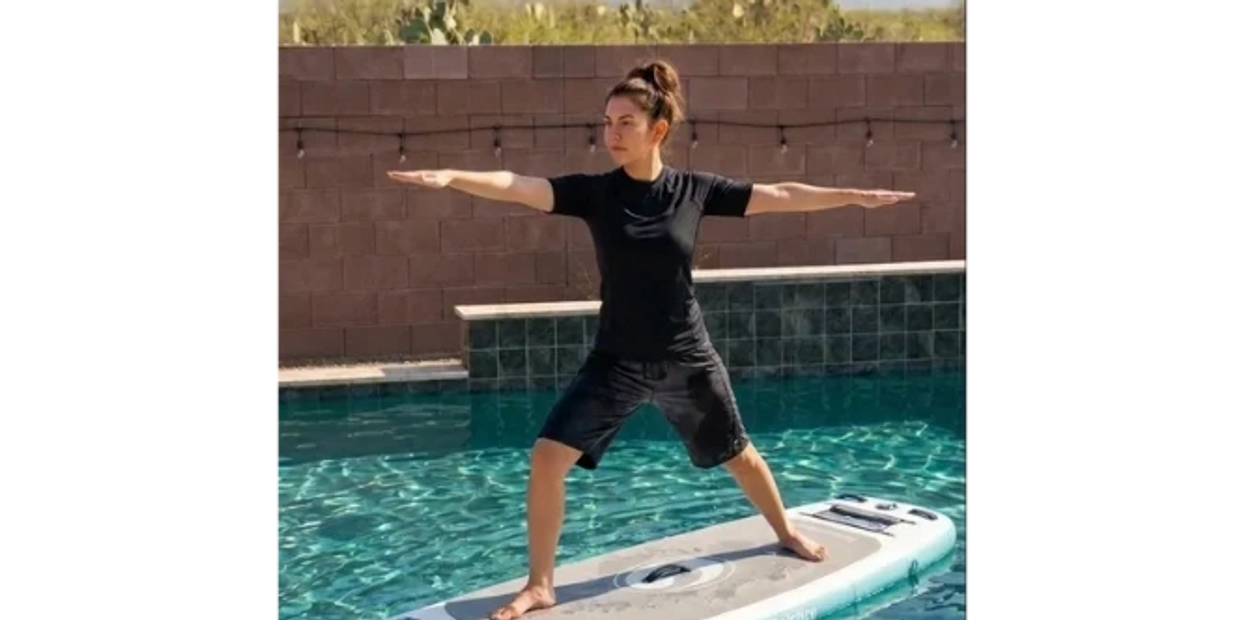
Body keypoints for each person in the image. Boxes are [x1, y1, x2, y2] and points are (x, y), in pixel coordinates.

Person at [388, 59, 915, 620]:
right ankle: (540, 584)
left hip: (686, 355)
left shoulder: (694, 191)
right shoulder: (595, 195)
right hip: (615, 359)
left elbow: (782, 193)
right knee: (546, 458)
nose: (610, 134)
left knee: (738, 454)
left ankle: (785, 530)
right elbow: (520, 186)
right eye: (607, 122)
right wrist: (452, 177)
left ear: (657, 130)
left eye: (624, 123)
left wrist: (851, 195)